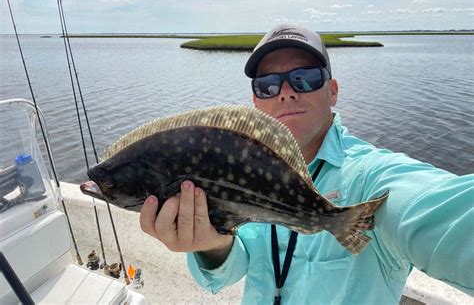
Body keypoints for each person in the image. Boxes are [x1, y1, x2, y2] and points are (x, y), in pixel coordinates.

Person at [140, 24, 473, 304]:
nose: (286, 92)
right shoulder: (244, 172)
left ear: (333, 91)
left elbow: (435, 214)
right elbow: (239, 263)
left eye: (305, 78)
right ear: (256, 102)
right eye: (268, 85)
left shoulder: (371, 177)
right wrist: (212, 245)